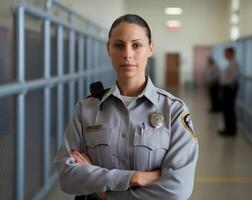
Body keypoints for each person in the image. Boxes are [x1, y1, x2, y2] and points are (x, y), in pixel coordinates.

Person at [53, 14, 198, 200]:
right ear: (108, 49)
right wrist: (134, 178)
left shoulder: (174, 111)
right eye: (119, 45)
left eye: (136, 45)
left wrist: (104, 194)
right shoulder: (87, 110)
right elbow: (67, 178)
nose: (127, 54)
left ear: (150, 48)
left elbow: (177, 190)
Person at [219, 47, 239, 136]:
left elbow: (234, 76)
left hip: (229, 88)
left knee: (229, 109)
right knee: (227, 109)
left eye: (226, 53)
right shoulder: (230, 63)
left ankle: (230, 130)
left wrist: (230, 83)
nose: (224, 55)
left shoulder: (233, 63)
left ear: (230, 53)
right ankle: (228, 129)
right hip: (227, 87)